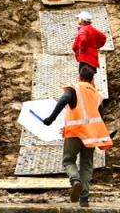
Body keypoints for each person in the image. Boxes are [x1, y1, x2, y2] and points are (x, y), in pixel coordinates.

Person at [42, 64, 112, 207]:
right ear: (92, 79)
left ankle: (75, 181)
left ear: (79, 76)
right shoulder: (96, 95)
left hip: (74, 132)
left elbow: (63, 100)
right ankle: (84, 199)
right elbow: (100, 118)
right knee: (86, 165)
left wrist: (51, 118)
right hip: (90, 136)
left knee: (68, 161)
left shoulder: (74, 88)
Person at [72, 10, 106, 75]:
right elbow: (103, 37)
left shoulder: (83, 29)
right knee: (90, 77)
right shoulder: (92, 29)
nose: (77, 20)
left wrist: (82, 50)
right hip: (93, 58)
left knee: (83, 77)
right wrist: (97, 46)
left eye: (79, 18)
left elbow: (83, 40)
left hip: (85, 58)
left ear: (82, 21)